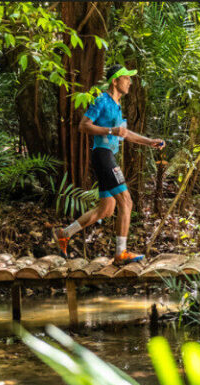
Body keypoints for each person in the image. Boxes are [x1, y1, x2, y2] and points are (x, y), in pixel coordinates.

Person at [54, 64, 165, 264]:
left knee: (105, 209)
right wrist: (110, 131)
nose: (130, 82)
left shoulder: (117, 106)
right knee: (126, 202)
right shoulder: (102, 100)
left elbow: (125, 133)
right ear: (115, 81)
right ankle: (121, 253)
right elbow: (83, 125)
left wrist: (150, 142)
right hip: (103, 155)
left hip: (107, 155)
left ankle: (64, 233)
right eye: (126, 78)